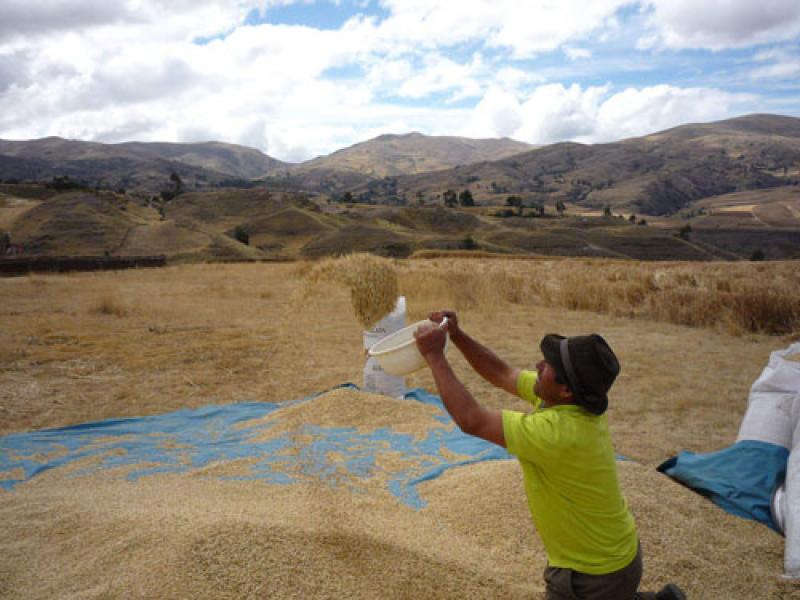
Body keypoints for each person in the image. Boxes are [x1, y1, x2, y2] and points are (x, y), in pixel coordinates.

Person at [414, 310, 686, 600]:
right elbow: (503, 374)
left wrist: (435, 357)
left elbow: (471, 419)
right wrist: (457, 336)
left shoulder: (559, 433)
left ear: (566, 389)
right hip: (616, 557)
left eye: (548, 365)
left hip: (592, 575)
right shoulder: (571, 400)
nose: (538, 364)